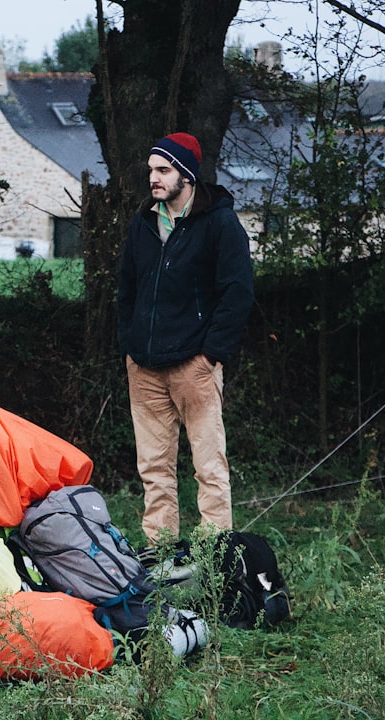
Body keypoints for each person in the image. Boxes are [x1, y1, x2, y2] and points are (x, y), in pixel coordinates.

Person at [116, 132, 254, 544]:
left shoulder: (219, 223)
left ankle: (213, 556)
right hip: (144, 366)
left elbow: (238, 292)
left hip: (194, 365)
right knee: (153, 468)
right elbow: (127, 290)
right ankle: (161, 557)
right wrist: (131, 344)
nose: (154, 179)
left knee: (209, 466)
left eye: (164, 170)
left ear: (187, 176)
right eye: (151, 171)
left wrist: (211, 354)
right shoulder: (144, 223)